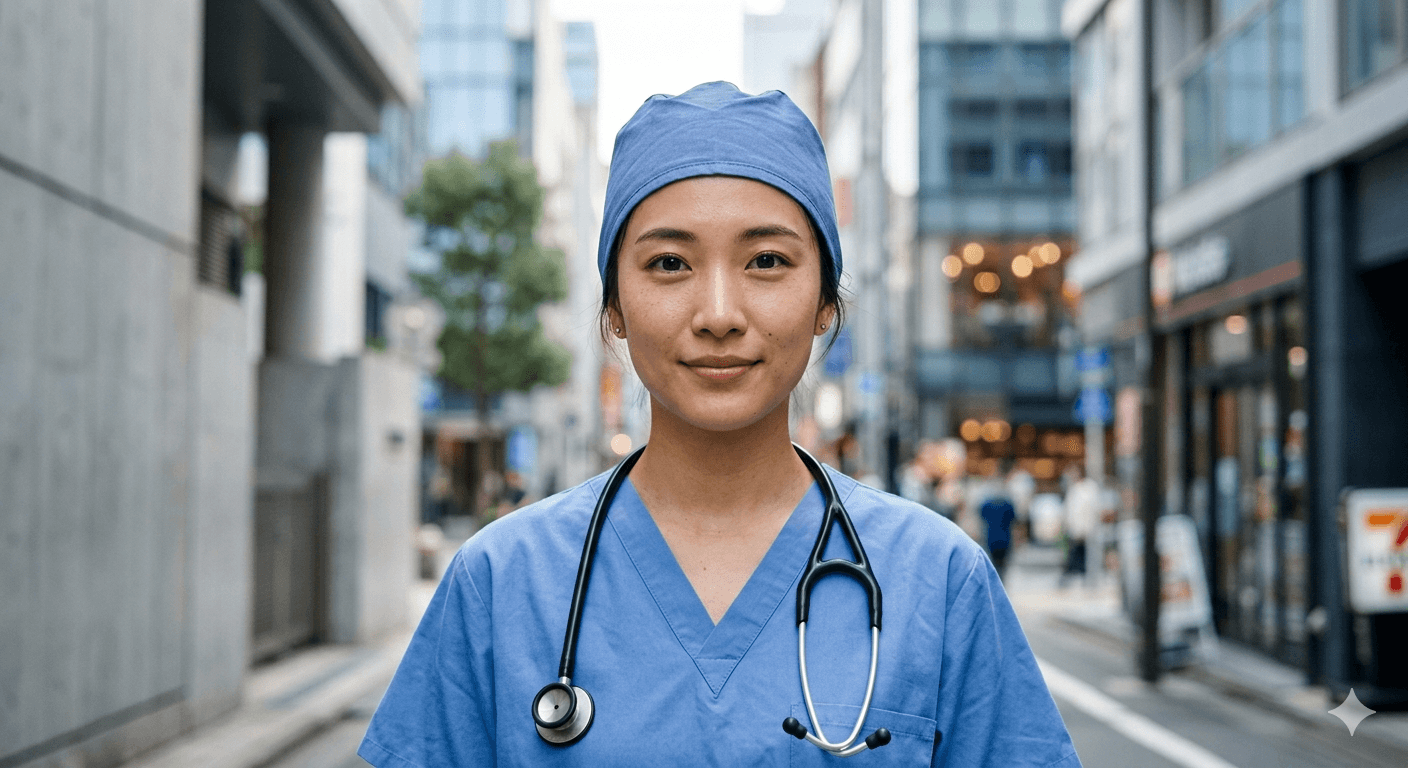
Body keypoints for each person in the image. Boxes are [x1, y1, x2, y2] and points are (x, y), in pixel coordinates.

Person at [358, 82, 1079, 767]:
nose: (719, 314)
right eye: (669, 263)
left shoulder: (939, 582)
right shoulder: (501, 584)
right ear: (614, 308)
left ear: (826, 301)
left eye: (767, 260)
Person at [1062, 468, 1101, 586]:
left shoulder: (1089, 487)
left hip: (1087, 530)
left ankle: (1088, 580)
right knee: (1075, 556)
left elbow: (1094, 509)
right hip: (1075, 530)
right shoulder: (1073, 489)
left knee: (1087, 556)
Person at [980, 492, 1017, 581]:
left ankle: (996, 581)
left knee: (993, 563)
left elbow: (981, 516)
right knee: (1003, 564)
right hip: (1004, 538)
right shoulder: (1007, 504)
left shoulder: (987, 505)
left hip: (991, 538)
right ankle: (1001, 581)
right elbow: (1013, 519)